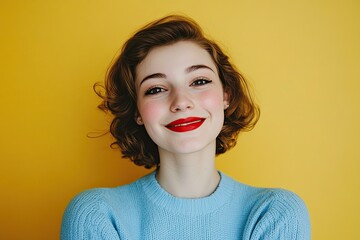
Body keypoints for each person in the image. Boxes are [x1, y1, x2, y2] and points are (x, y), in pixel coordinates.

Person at [61, 15, 311, 239]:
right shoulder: (98, 215)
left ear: (226, 95)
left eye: (199, 81)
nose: (181, 102)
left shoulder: (275, 213)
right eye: (156, 89)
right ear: (137, 111)